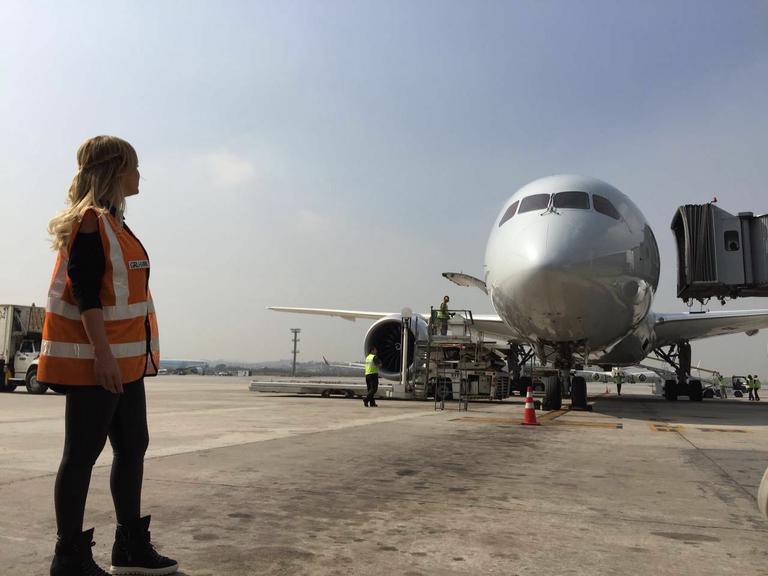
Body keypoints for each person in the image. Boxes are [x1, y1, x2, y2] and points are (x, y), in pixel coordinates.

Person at [39, 136, 177, 576]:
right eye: (135, 167)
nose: (140, 176)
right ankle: (70, 557)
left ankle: (130, 546)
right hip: (97, 364)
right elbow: (85, 294)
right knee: (81, 454)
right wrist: (101, 356)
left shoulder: (116, 223)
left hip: (127, 363)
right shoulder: (90, 222)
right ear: (116, 171)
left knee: (133, 445)